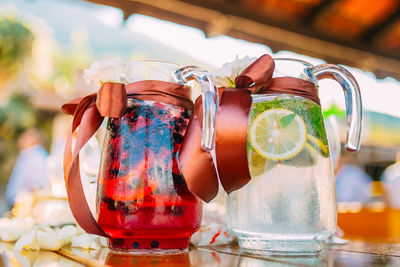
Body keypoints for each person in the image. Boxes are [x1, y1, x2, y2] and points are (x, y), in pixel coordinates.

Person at [5, 129, 49, 209]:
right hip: (19, 202)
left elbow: (37, 182)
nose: (20, 139)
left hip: (23, 204)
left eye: (25, 137)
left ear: (34, 139)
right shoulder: (29, 155)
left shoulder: (35, 155)